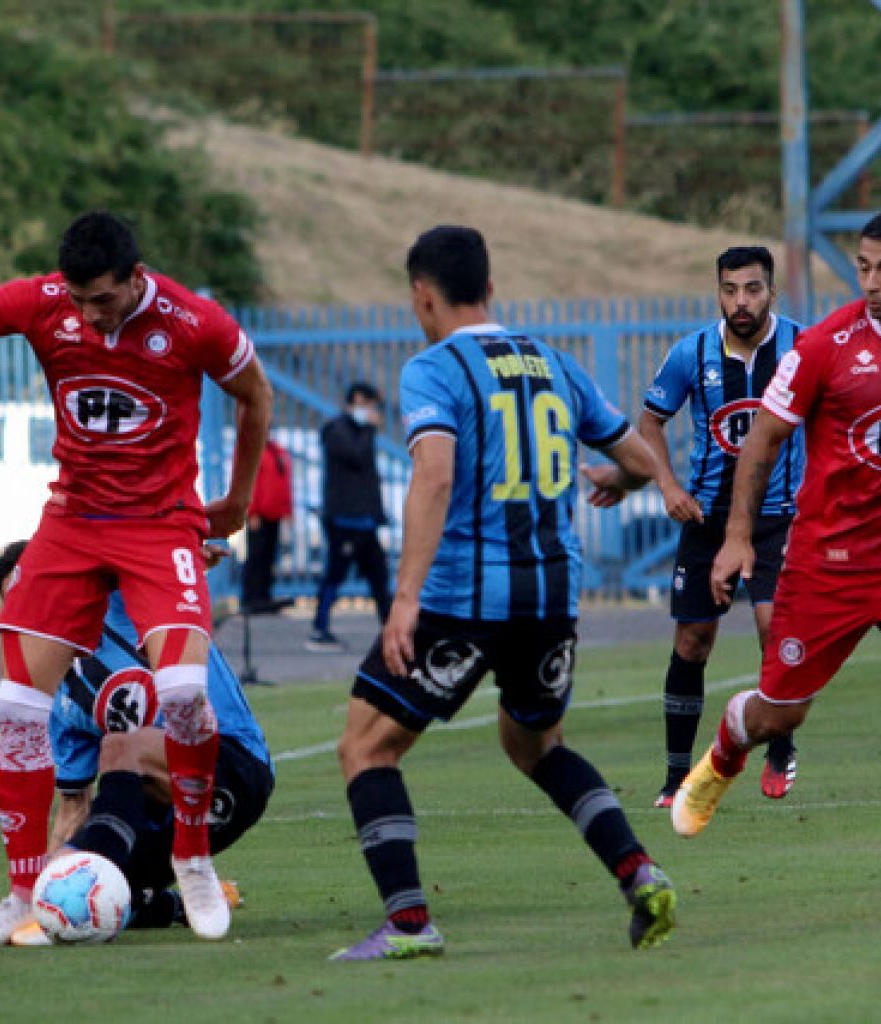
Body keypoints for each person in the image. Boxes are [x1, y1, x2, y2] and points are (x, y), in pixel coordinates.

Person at [0, 210, 272, 946]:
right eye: (77, 301)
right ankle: (20, 894)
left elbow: (255, 396)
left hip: (160, 522)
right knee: (16, 702)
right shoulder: (44, 302)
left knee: (182, 696)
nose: (88, 316)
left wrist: (234, 502)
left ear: (136, 279)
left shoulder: (195, 323)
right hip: (72, 522)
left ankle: (193, 858)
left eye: (102, 300)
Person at [329, 224, 676, 962]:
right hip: (552, 595)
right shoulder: (556, 362)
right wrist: (625, 479)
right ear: (489, 286)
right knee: (537, 745)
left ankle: (410, 924)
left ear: (423, 297)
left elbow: (435, 476)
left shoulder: (434, 368)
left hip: (465, 596)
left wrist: (403, 599)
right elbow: (640, 457)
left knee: (365, 749)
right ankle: (639, 871)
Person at [672, 208, 881, 838]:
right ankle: (728, 748)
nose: (870, 283)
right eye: (864, 268)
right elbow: (761, 440)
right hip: (827, 566)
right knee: (779, 717)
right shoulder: (824, 346)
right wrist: (736, 537)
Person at [0, 542, 275, 945]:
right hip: (160, 813)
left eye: (32, 595)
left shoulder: (118, 603)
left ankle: (115, 866)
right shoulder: (56, 699)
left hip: (234, 767)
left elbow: (146, 555)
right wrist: (47, 879)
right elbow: (74, 806)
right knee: (81, 889)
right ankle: (167, 902)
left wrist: (188, 547)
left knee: (122, 748)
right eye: (15, 605)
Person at [639, 246, 804, 808]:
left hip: (779, 518)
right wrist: (667, 484)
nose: (741, 301)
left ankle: (780, 748)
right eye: (730, 290)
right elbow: (649, 423)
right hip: (707, 519)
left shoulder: (801, 349)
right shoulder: (692, 353)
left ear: (771, 293)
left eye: (752, 289)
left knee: (771, 628)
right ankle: (677, 775)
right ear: (719, 293)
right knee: (693, 641)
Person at [306, 381, 392, 651]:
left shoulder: (359, 430)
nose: (372, 412)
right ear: (356, 400)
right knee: (335, 575)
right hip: (345, 521)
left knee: (379, 577)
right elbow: (356, 457)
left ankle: (390, 630)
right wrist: (368, 428)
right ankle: (319, 630)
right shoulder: (338, 430)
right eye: (369, 405)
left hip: (365, 522)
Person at [241, 433, 293, 613]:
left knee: (268, 557)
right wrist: (252, 511)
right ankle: (251, 598)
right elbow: (249, 483)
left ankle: (264, 596)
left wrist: (287, 510)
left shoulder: (275, 450)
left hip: (274, 513)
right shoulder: (251, 449)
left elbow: (283, 481)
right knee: (256, 557)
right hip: (259, 515)